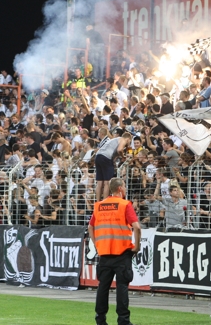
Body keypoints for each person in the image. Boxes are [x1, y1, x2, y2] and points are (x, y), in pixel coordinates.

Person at [88, 178, 141, 325]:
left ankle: (100, 319)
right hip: (122, 252)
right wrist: (137, 246)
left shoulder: (99, 205)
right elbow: (137, 227)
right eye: (124, 186)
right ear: (120, 189)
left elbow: (90, 227)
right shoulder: (125, 205)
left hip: (104, 252)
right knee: (122, 287)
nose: (125, 189)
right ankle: (123, 320)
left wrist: (97, 244)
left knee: (102, 288)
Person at [94, 132, 132, 200]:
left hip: (98, 156)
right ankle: (105, 202)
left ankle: (97, 202)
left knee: (99, 182)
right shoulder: (123, 139)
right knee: (107, 182)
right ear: (128, 139)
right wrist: (123, 156)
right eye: (130, 141)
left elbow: (114, 155)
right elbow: (119, 149)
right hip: (106, 158)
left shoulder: (114, 140)